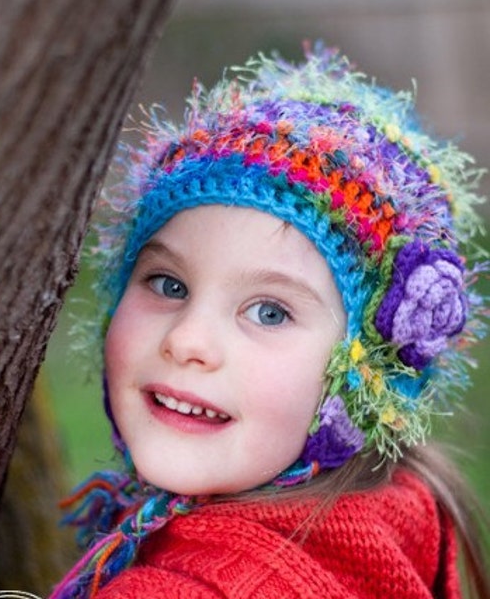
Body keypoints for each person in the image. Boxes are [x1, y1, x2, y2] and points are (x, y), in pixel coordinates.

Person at [49, 44, 489, 598]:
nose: (188, 341)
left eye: (270, 312)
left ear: (364, 385)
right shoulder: (395, 515)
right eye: (169, 284)